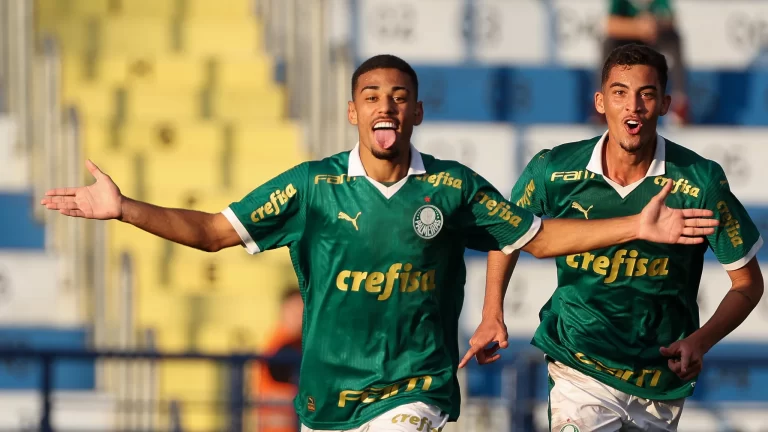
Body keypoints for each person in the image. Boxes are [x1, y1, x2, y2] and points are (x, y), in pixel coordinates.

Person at [41, 54, 718, 432]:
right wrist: (126, 208)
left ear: (417, 112)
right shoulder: (313, 188)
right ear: (352, 112)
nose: (386, 108)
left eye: (399, 97)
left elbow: (538, 239)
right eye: (372, 96)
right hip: (329, 401)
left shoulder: (452, 190)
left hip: (413, 394)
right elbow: (215, 232)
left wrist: (633, 225)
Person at [462, 44, 764, 431]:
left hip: (658, 378)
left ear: (666, 103)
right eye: (620, 93)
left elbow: (747, 284)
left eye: (647, 94)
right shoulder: (552, 170)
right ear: (601, 102)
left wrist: (701, 341)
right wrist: (492, 313)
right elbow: (508, 234)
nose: (633, 106)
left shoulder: (699, 181)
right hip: (580, 365)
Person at [600, 0, 689, 125]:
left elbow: (671, 19)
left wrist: (655, 25)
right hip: (627, 38)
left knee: (674, 39)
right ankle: (605, 103)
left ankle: (679, 104)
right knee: (608, 43)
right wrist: (639, 27)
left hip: (654, 39)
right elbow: (610, 25)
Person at [253, 287, 304, 432]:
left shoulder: (295, 342)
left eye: (301, 310)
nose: (298, 315)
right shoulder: (279, 344)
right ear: (283, 310)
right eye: (293, 309)